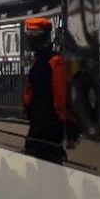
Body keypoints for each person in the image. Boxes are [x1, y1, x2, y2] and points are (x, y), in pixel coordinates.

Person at [22, 17, 73, 163]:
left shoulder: (55, 62)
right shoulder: (44, 60)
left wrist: (67, 122)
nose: (30, 39)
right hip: (42, 126)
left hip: (48, 127)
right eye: (30, 35)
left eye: (33, 35)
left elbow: (60, 98)